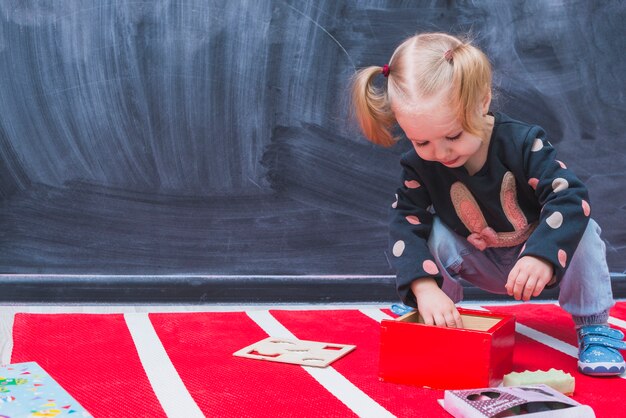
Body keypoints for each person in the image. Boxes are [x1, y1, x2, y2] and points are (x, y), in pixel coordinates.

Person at [351, 32, 626, 376]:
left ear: (481, 102)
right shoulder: (419, 166)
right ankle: (437, 309)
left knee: (584, 227)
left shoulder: (524, 143)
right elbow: (405, 222)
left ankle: (594, 325)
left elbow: (569, 196)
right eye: (421, 141)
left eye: (453, 136)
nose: (441, 153)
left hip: (536, 260)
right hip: (477, 259)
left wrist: (541, 254)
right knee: (428, 230)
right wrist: (423, 288)